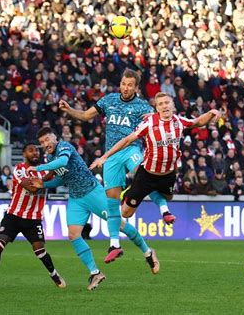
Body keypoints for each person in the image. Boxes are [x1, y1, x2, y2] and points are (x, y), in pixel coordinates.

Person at [59, 69, 172, 263]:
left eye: (130, 85)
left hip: (131, 150)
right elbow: (86, 116)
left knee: (142, 174)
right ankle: (114, 245)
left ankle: (165, 210)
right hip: (110, 156)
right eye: (123, 83)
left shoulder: (142, 107)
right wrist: (69, 110)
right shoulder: (108, 100)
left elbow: (157, 122)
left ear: (136, 87)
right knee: (112, 202)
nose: (125, 88)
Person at [28, 128, 159, 290]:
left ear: (55, 137)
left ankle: (148, 252)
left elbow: (62, 163)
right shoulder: (49, 157)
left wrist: (39, 169)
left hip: (93, 192)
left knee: (120, 225)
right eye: (41, 142)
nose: (45, 144)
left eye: (47, 139)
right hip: (76, 198)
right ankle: (95, 272)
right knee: (73, 234)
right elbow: (63, 179)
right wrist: (44, 185)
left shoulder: (64, 147)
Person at [90, 92, 221, 219]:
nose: (164, 106)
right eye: (160, 104)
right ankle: (129, 193)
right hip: (147, 175)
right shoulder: (149, 123)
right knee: (126, 213)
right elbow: (127, 140)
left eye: (167, 102)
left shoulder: (179, 121)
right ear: (157, 108)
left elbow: (197, 122)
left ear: (173, 105)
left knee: (169, 197)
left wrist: (211, 112)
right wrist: (105, 156)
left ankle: (158, 200)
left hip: (168, 174)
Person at [0, 143, 65, 290]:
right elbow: (32, 188)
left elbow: (53, 178)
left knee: (40, 251)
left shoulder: (44, 169)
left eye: (37, 151)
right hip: (14, 215)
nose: (35, 153)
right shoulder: (19, 169)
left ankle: (54, 275)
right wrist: (51, 173)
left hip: (33, 218)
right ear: (24, 154)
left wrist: (52, 171)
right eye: (31, 150)